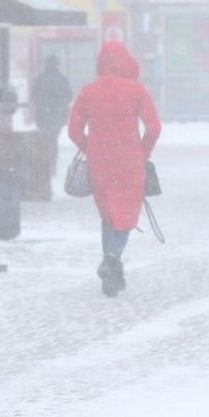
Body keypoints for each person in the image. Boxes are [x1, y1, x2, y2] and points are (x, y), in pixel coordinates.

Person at [68, 42, 161, 297]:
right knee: (125, 215)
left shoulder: (89, 91)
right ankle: (111, 258)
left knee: (109, 215)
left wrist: (90, 147)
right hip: (129, 162)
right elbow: (154, 127)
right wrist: (143, 151)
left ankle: (112, 271)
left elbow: (74, 130)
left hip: (100, 163)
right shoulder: (136, 91)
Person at [31, 55, 74, 177]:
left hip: (43, 116)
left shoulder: (40, 79)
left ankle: (45, 165)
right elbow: (69, 96)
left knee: (44, 141)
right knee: (53, 141)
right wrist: (59, 105)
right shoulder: (62, 79)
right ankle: (52, 165)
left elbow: (33, 96)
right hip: (57, 116)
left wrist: (44, 104)